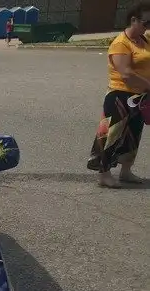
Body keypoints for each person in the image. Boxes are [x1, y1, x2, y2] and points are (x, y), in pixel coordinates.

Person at [87, 2, 150, 188]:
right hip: (119, 96)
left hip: (140, 96)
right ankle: (104, 174)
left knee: (133, 135)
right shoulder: (120, 43)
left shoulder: (145, 40)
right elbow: (126, 73)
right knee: (112, 136)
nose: (148, 27)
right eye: (146, 23)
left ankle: (126, 171)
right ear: (133, 20)